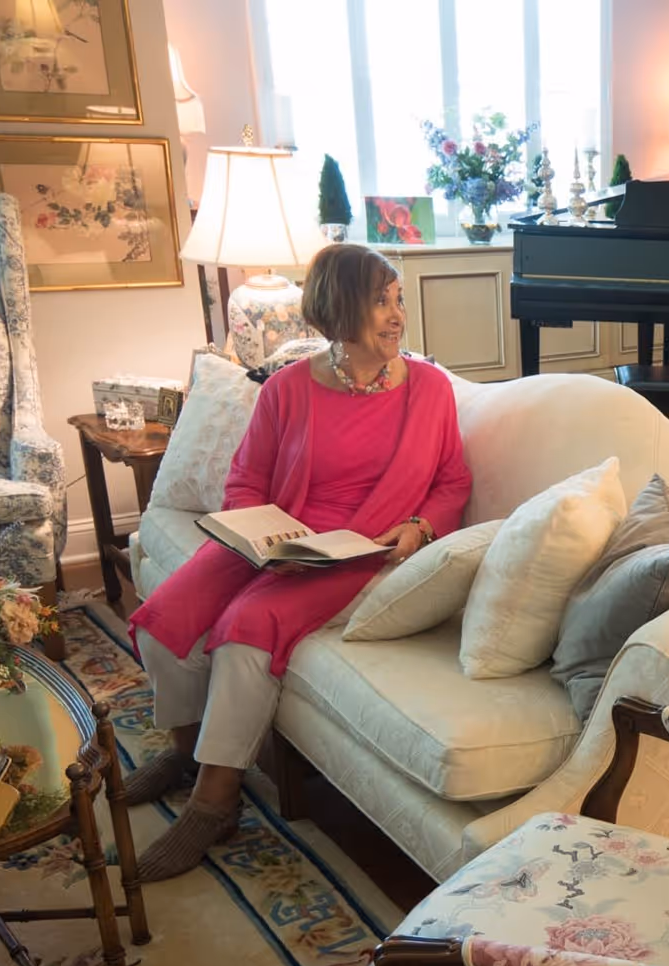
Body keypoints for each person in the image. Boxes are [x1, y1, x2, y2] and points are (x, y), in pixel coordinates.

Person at [126, 243, 472, 880]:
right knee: (163, 615)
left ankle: (214, 801)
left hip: (358, 553)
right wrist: (263, 539)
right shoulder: (287, 388)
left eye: (398, 300)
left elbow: (452, 482)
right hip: (278, 539)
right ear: (339, 311)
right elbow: (245, 483)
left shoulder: (429, 388)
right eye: (380, 301)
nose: (398, 316)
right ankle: (182, 749)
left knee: (245, 632)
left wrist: (420, 527)